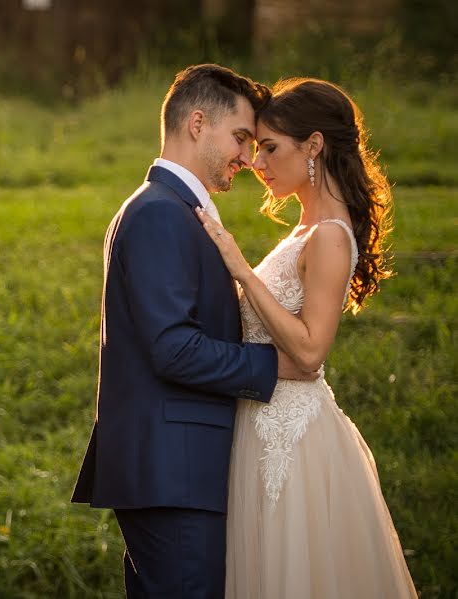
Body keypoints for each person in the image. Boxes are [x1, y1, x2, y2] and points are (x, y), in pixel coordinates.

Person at [71, 64, 313, 598]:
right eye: (242, 139)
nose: (249, 159)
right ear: (198, 123)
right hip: (173, 472)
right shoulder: (160, 213)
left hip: (177, 468)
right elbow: (173, 349)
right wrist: (276, 366)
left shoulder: (173, 209)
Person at [195, 77, 417, 598]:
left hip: (292, 437)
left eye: (270, 147)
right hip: (259, 419)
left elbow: (313, 349)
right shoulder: (302, 230)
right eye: (254, 148)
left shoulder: (331, 237)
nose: (256, 162)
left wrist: (243, 272)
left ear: (313, 145)